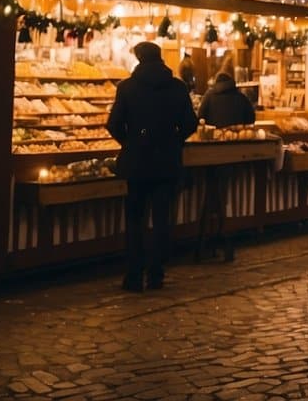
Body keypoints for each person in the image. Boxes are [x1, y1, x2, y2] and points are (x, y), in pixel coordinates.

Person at [106, 42, 198, 292]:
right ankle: (156, 273)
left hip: (137, 162)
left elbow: (113, 124)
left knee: (135, 220)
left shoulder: (127, 87)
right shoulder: (178, 87)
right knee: (161, 219)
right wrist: (174, 139)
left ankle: (134, 275)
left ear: (138, 58)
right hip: (166, 161)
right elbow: (191, 123)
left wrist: (130, 142)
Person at [195, 70, 256, 261]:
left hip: (210, 153)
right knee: (224, 195)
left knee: (210, 193)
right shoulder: (240, 97)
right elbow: (251, 119)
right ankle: (224, 238)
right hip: (233, 154)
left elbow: (200, 118)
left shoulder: (209, 95)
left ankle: (206, 240)